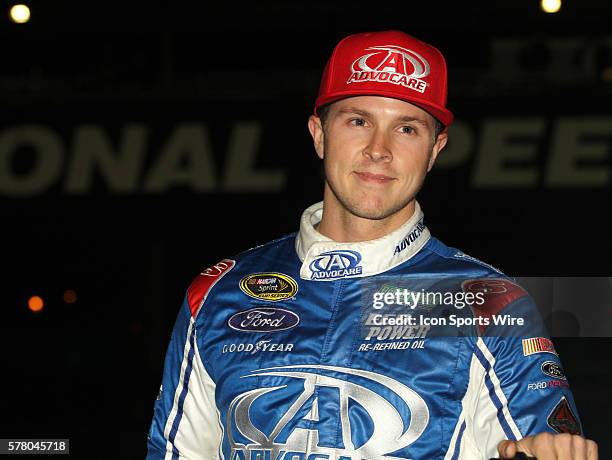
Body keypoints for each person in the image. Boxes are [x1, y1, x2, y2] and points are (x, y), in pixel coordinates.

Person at [146, 30, 598, 460]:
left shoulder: (488, 303)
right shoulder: (218, 294)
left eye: (407, 129)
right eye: (358, 121)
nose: (379, 149)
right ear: (319, 134)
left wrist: (548, 451)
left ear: (436, 148)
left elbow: (543, 444)